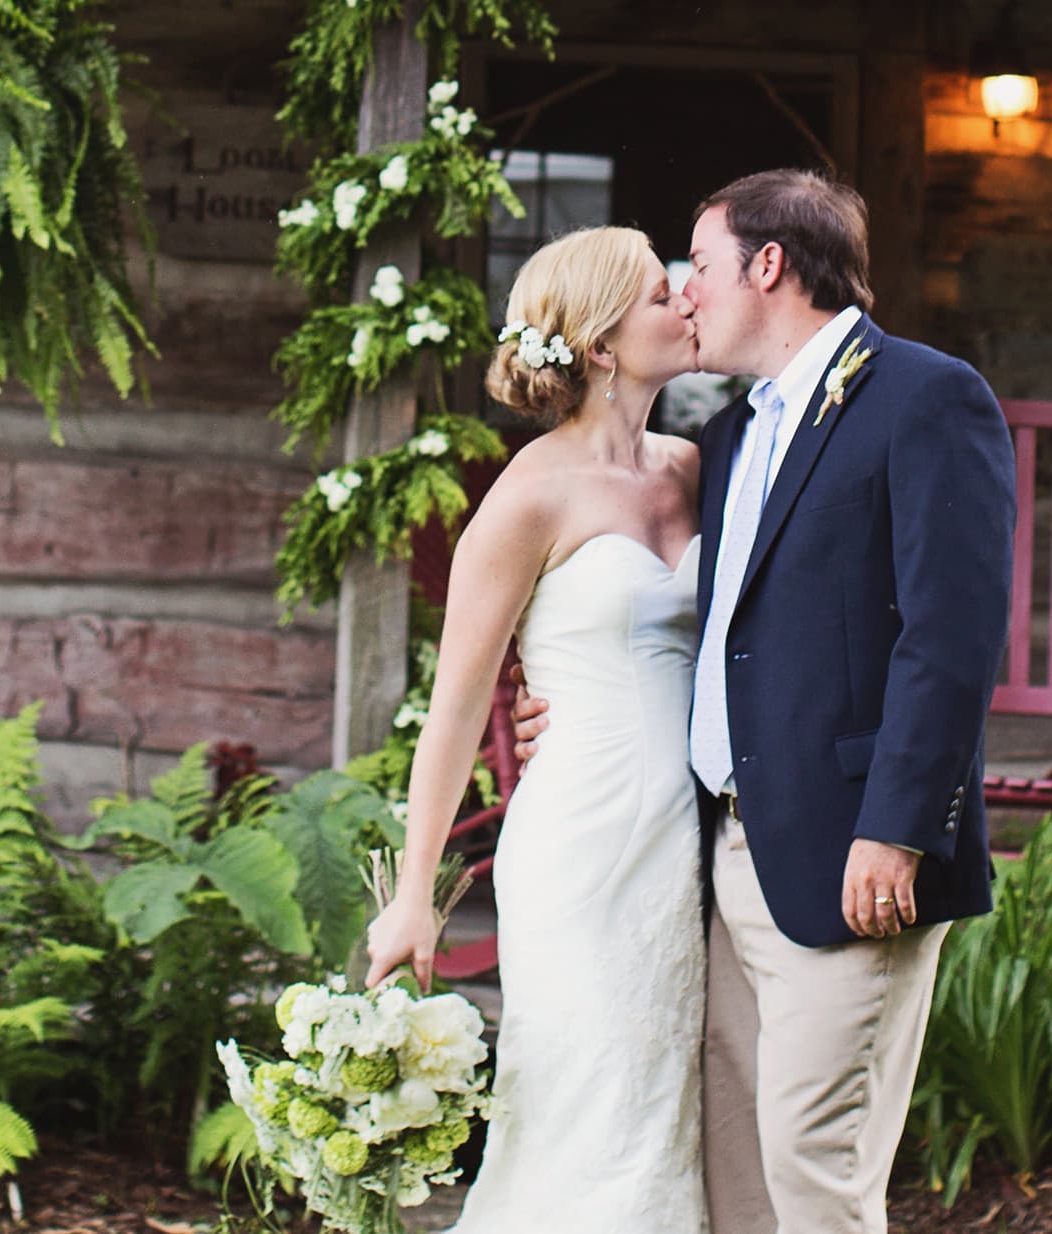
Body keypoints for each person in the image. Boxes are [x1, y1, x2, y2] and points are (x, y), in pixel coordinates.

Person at [515, 169, 1017, 1234]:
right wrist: (552, 691)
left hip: (852, 859)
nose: (686, 293)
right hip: (725, 857)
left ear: (770, 266)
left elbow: (952, 638)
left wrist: (896, 828)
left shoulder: (926, 396)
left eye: (697, 267)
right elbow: (706, 632)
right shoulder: (734, 436)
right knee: (736, 1171)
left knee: (813, 1165)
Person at [362, 225, 712, 1232]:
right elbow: (457, 703)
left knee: (660, 1115)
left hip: (685, 840)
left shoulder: (696, 468)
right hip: (581, 843)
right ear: (603, 343)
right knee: (577, 1112)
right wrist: (416, 896)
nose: (685, 303)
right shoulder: (526, 497)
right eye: (660, 294)